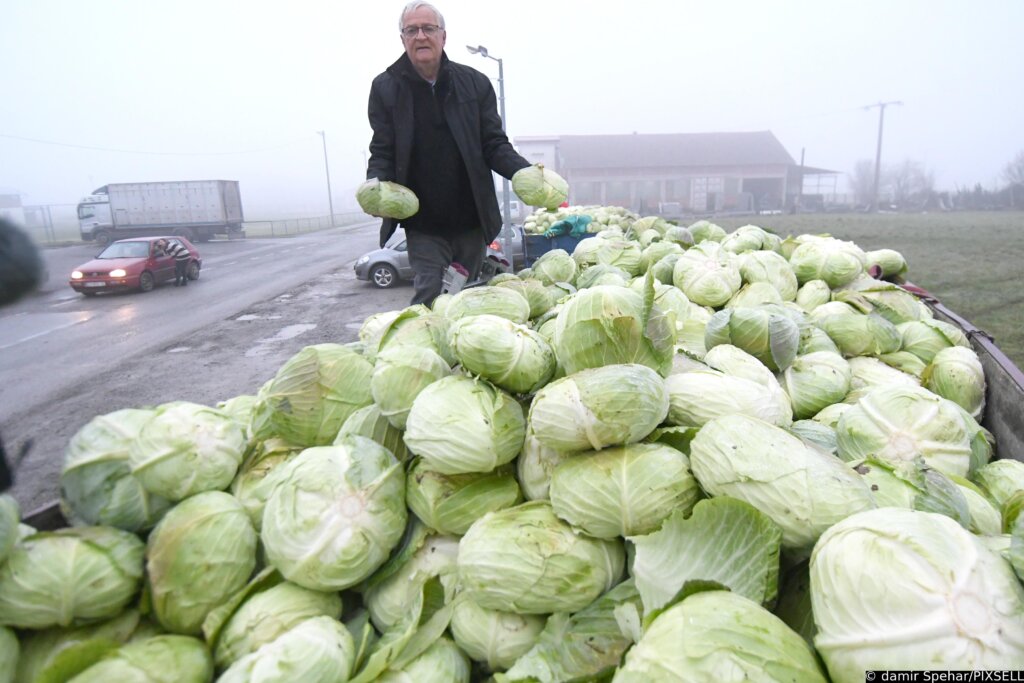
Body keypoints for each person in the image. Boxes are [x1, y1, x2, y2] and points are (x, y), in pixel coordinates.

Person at [366, 2, 532, 306]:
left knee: (467, 296)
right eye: (411, 30)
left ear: (443, 36)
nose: (420, 36)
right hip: (422, 222)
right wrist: (375, 186)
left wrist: (525, 173)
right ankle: (421, 337)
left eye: (428, 29)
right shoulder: (386, 88)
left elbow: (494, 143)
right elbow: (383, 149)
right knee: (431, 293)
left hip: (471, 218)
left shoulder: (475, 84)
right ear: (402, 39)